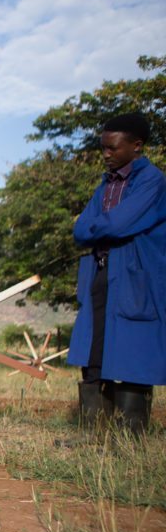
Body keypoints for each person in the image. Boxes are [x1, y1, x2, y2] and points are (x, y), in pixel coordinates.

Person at [67, 113, 166, 435]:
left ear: (136, 146)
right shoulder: (106, 185)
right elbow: (82, 230)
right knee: (94, 346)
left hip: (137, 274)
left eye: (113, 148)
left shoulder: (152, 181)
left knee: (134, 349)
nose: (107, 154)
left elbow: (119, 223)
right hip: (102, 270)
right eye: (103, 148)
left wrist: (98, 228)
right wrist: (99, 229)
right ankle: (93, 433)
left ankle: (129, 435)